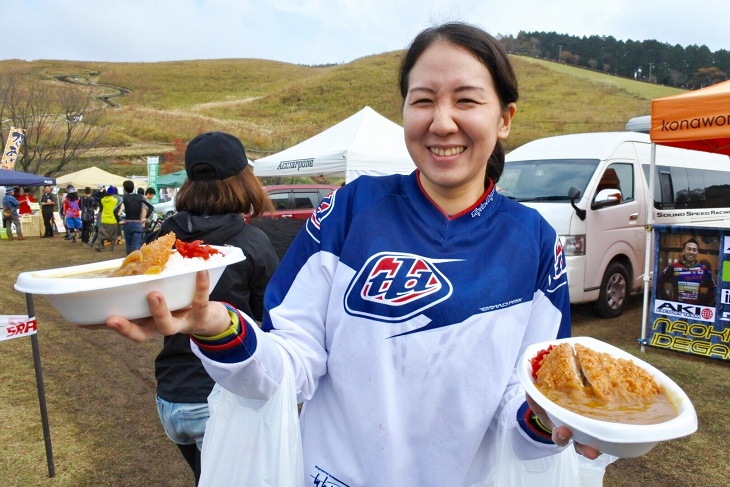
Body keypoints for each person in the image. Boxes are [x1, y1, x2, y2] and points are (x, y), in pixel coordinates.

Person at [104, 23, 599, 485]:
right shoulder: (351, 209)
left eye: (466, 100)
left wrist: (551, 418)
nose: (441, 122)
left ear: (505, 118)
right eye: (422, 100)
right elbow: (289, 366)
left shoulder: (534, 241)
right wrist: (216, 325)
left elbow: (529, 396)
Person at [141, 131, 279, 485]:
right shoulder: (252, 243)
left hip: (170, 398)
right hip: (220, 400)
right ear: (244, 182)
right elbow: (274, 319)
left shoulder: (159, 241)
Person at [658, 238, 716, 305]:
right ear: (683, 251)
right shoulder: (673, 267)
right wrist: (666, 301)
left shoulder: (703, 269)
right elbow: (659, 282)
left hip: (695, 310)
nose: (691, 252)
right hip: (676, 308)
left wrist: (706, 303)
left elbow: (713, 286)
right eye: (689, 249)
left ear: (697, 252)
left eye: (694, 250)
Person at [115, 180, 149, 254]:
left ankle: (129, 258)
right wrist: (145, 218)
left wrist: (118, 220)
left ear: (124, 188)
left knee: (128, 243)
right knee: (137, 244)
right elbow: (150, 207)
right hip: (138, 222)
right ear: (133, 187)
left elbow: (115, 210)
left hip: (128, 223)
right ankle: (137, 259)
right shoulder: (141, 197)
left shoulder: (123, 198)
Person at [95, 185, 119, 251]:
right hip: (112, 219)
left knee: (101, 234)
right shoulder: (115, 200)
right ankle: (111, 247)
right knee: (113, 234)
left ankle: (98, 245)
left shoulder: (103, 200)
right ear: (113, 193)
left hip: (104, 219)